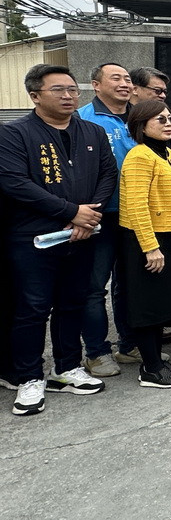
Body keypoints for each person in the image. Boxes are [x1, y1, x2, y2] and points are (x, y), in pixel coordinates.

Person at [0, 65, 117, 415]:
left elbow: (108, 174)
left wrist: (88, 215)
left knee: (73, 303)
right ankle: (28, 377)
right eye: (58, 90)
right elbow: (14, 183)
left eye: (72, 89)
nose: (68, 96)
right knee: (33, 308)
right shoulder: (14, 135)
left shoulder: (92, 131)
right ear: (35, 95)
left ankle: (65, 368)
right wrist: (70, 211)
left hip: (83, 234)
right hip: (32, 238)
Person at [117, 100, 171, 388]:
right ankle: (149, 368)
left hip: (169, 235)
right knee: (146, 303)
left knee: (161, 301)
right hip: (148, 239)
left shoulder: (166, 153)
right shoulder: (139, 155)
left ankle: (157, 359)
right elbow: (136, 205)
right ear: (141, 124)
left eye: (170, 118)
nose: (168, 123)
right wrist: (150, 246)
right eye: (160, 119)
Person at [76, 63, 136, 378]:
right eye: (116, 78)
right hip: (100, 215)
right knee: (94, 286)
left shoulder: (141, 116)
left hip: (136, 213)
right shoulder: (83, 118)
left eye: (127, 78)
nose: (124, 83)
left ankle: (129, 345)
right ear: (96, 84)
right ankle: (96, 353)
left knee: (129, 284)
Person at [129, 67, 171, 140]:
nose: (163, 96)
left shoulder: (165, 112)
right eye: (157, 91)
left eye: (165, 92)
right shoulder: (121, 115)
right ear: (135, 90)